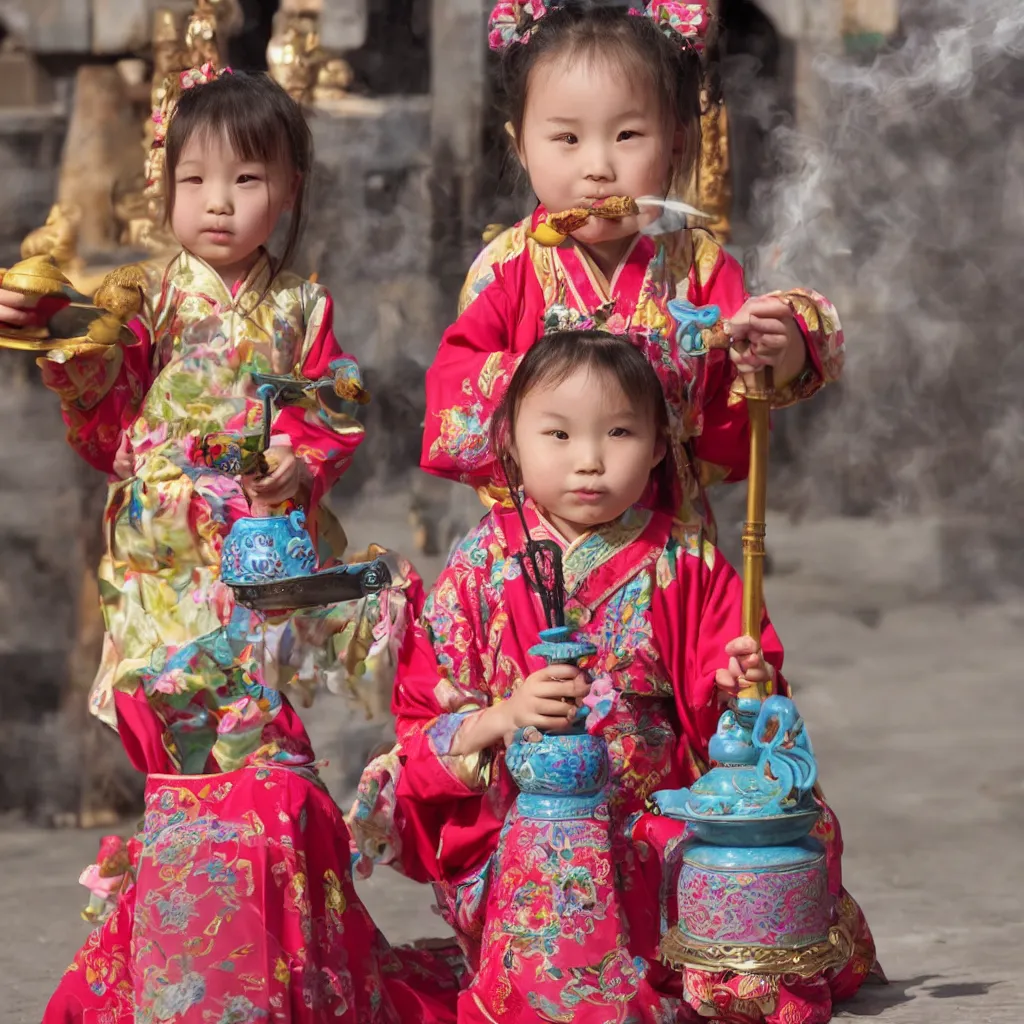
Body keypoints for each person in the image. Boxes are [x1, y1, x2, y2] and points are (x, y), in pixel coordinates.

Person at [5, 68, 461, 1023]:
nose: (219, 203)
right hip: (164, 553)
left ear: (289, 189)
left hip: (260, 550)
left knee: (264, 752)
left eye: (248, 180)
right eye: (195, 181)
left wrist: (297, 466)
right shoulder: (150, 295)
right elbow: (100, 387)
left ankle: (271, 958)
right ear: (163, 190)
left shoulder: (301, 307)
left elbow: (333, 407)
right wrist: (57, 337)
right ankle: (181, 961)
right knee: (182, 746)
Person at [353, 330, 877, 1023]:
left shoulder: (683, 558)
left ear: (660, 445)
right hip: (519, 816)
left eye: (621, 432)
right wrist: (506, 714)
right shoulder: (481, 563)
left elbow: (732, 721)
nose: (591, 461)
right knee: (545, 851)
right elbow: (427, 714)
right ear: (509, 441)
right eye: (560, 435)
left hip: (651, 814)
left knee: (743, 856)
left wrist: (743, 689)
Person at [422, 0, 844, 537]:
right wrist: (564, 392)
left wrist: (778, 346)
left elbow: (742, 391)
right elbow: (453, 393)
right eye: (567, 139)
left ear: (675, 144)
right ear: (521, 146)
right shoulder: (506, 267)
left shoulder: (699, 267)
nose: (598, 168)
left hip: (668, 538)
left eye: (627, 136)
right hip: (535, 545)